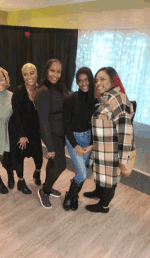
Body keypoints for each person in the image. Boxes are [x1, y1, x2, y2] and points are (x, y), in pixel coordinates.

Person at [84, 67, 134, 213]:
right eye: (97, 80)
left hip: (112, 151)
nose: (98, 83)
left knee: (109, 177)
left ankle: (104, 205)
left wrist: (123, 158)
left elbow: (125, 131)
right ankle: (99, 192)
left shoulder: (119, 100)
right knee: (101, 174)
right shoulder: (106, 98)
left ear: (113, 80)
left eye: (102, 79)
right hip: (102, 148)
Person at [35, 58, 67, 209]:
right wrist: (50, 146)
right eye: (52, 70)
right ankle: (45, 191)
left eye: (58, 71)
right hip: (51, 134)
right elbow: (43, 122)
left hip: (60, 133)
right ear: (46, 71)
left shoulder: (60, 87)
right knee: (61, 165)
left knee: (53, 163)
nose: (55, 74)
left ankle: (48, 185)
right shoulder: (43, 91)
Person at [63, 67, 95, 211]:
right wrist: (75, 144)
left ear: (90, 79)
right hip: (73, 139)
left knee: (81, 172)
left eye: (86, 80)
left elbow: (97, 126)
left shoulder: (95, 100)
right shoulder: (70, 98)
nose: (83, 83)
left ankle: (74, 195)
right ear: (77, 82)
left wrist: (92, 145)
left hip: (88, 140)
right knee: (82, 173)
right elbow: (66, 125)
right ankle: (70, 195)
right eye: (80, 81)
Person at [7, 63, 43, 194]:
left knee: (39, 156)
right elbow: (17, 115)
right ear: (22, 76)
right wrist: (22, 135)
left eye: (32, 73)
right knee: (20, 155)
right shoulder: (18, 91)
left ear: (36, 73)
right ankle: (21, 182)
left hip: (34, 129)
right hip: (19, 128)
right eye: (25, 74)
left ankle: (37, 173)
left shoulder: (41, 89)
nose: (29, 77)